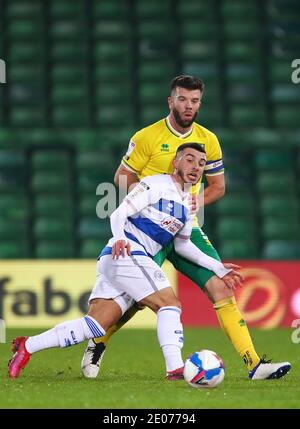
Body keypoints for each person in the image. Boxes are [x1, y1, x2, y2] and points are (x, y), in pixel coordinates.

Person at [81, 75, 291, 381]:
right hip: (149, 231)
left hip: (185, 229)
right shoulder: (147, 137)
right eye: (182, 99)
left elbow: (218, 187)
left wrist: (193, 204)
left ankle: (254, 364)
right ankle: (97, 344)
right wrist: (153, 201)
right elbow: (122, 175)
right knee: (137, 299)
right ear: (171, 101)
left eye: (194, 101)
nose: (188, 105)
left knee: (220, 285)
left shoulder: (209, 140)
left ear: (200, 103)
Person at [8, 144, 243, 380]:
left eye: (202, 163)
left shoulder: (187, 204)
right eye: (190, 160)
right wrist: (120, 237)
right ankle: (175, 367)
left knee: (96, 325)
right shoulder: (155, 184)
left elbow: (183, 246)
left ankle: (27, 346)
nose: (196, 167)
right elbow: (119, 213)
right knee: (169, 304)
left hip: (123, 260)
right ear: (176, 162)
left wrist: (219, 268)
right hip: (127, 253)